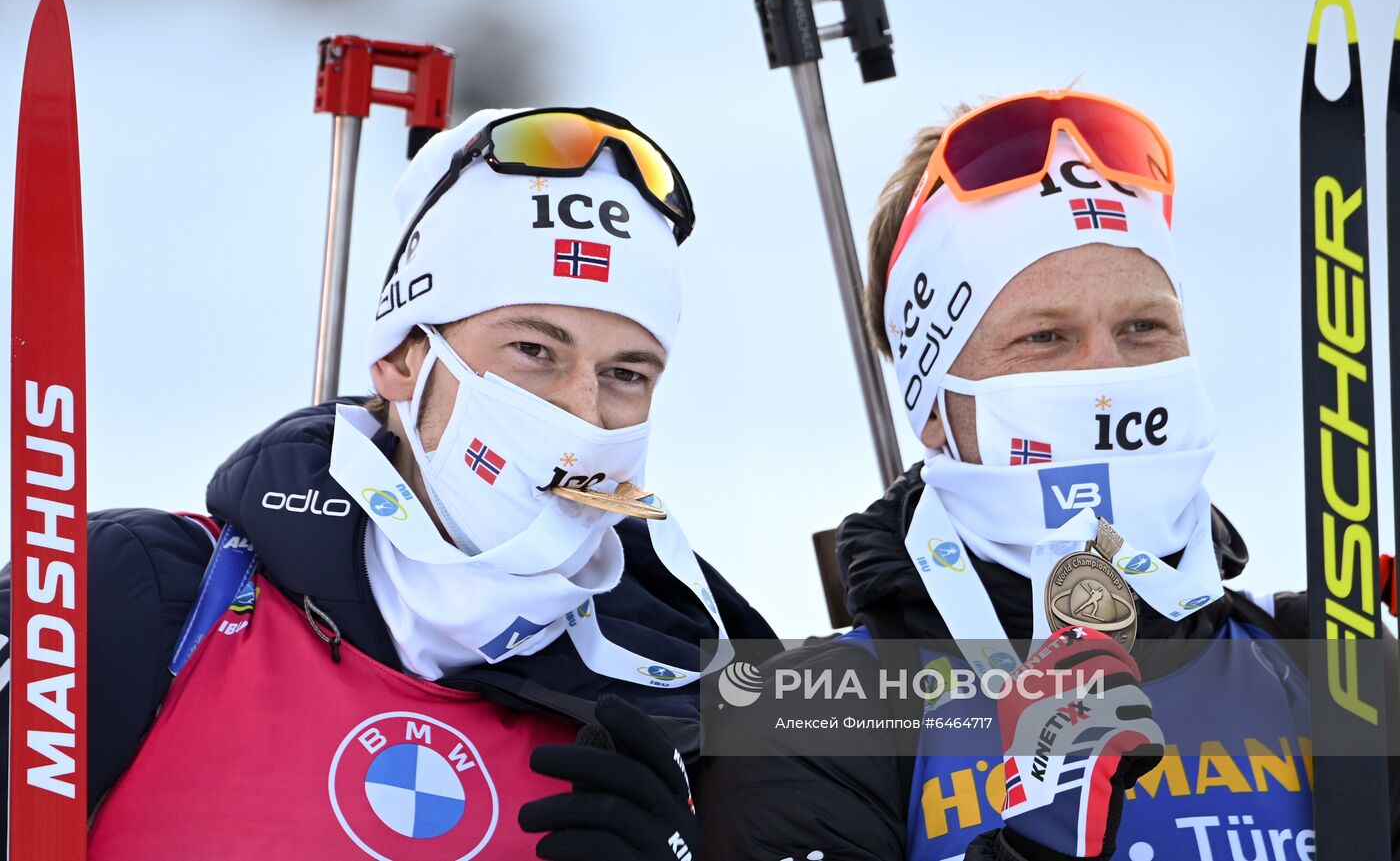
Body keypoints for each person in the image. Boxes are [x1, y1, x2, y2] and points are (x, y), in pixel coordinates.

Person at [0, 106, 775, 859]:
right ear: (403, 359)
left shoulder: (729, 677)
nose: (582, 413)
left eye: (626, 373)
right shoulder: (126, 593)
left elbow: (894, 718)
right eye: (535, 350)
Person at [698, 90, 1400, 860]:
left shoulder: (1322, 655)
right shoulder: (804, 716)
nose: (1107, 379)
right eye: (1045, 338)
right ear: (934, 406)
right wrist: (1033, 847)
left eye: (1143, 327)